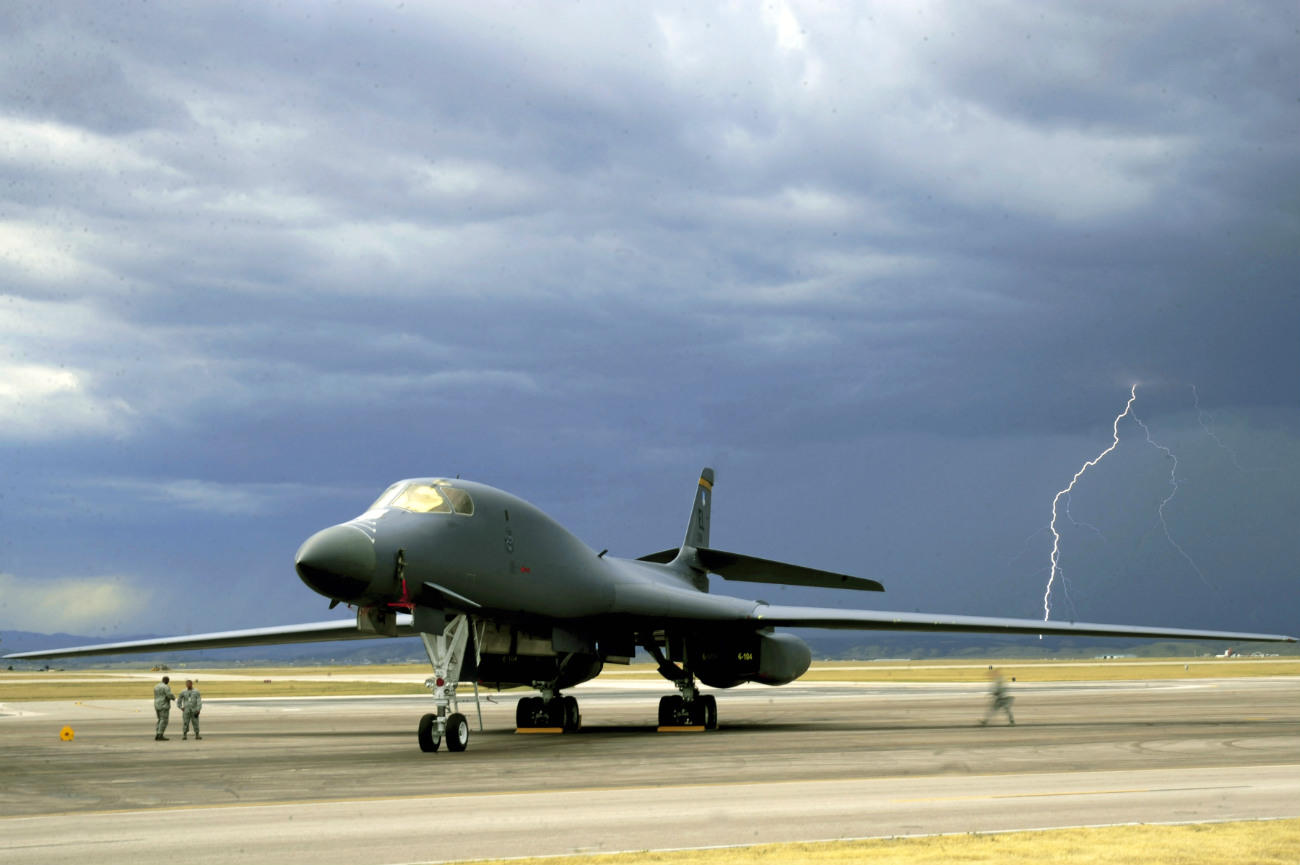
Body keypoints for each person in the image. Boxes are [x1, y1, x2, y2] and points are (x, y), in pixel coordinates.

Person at [153, 676, 175, 740]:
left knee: (160, 720)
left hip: (157, 704)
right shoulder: (165, 687)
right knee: (164, 720)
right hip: (164, 705)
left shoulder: (156, 686)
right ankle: (160, 734)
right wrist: (173, 697)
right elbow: (169, 695)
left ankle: (157, 733)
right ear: (167, 681)